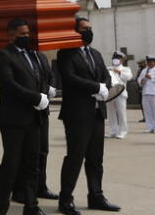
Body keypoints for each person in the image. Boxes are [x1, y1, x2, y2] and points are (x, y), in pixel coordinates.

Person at [57, 17, 120, 215]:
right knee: (75, 157)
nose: (88, 32)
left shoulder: (95, 53)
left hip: (96, 112)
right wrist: (95, 87)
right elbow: (69, 77)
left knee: (95, 158)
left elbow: (105, 75)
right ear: (75, 31)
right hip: (77, 113)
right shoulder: (65, 53)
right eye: (84, 29)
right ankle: (65, 199)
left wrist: (104, 87)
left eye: (90, 29)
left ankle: (96, 196)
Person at [0, 19, 51, 215]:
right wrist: (35, 98)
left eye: (27, 33)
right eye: (21, 34)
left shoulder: (34, 55)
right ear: (11, 35)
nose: (26, 37)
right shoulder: (3, 55)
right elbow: (9, 84)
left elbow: (40, 78)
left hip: (35, 118)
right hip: (14, 120)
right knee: (11, 164)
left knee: (32, 164)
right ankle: (0, 207)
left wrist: (44, 92)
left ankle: (31, 205)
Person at [105, 51, 132, 139]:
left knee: (121, 112)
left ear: (122, 60)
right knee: (110, 113)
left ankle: (123, 131)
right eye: (114, 58)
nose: (115, 60)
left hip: (120, 93)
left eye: (117, 59)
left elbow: (129, 77)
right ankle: (112, 131)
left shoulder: (125, 69)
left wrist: (120, 72)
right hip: (110, 93)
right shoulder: (108, 68)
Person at [137, 56, 155, 134]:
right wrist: (141, 81)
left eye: (150, 62)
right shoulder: (144, 70)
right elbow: (139, 79)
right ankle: (149, 127)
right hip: (145, 93)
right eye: (148, 62)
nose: (149, 63)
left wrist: (151, 77)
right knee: (147, 111)